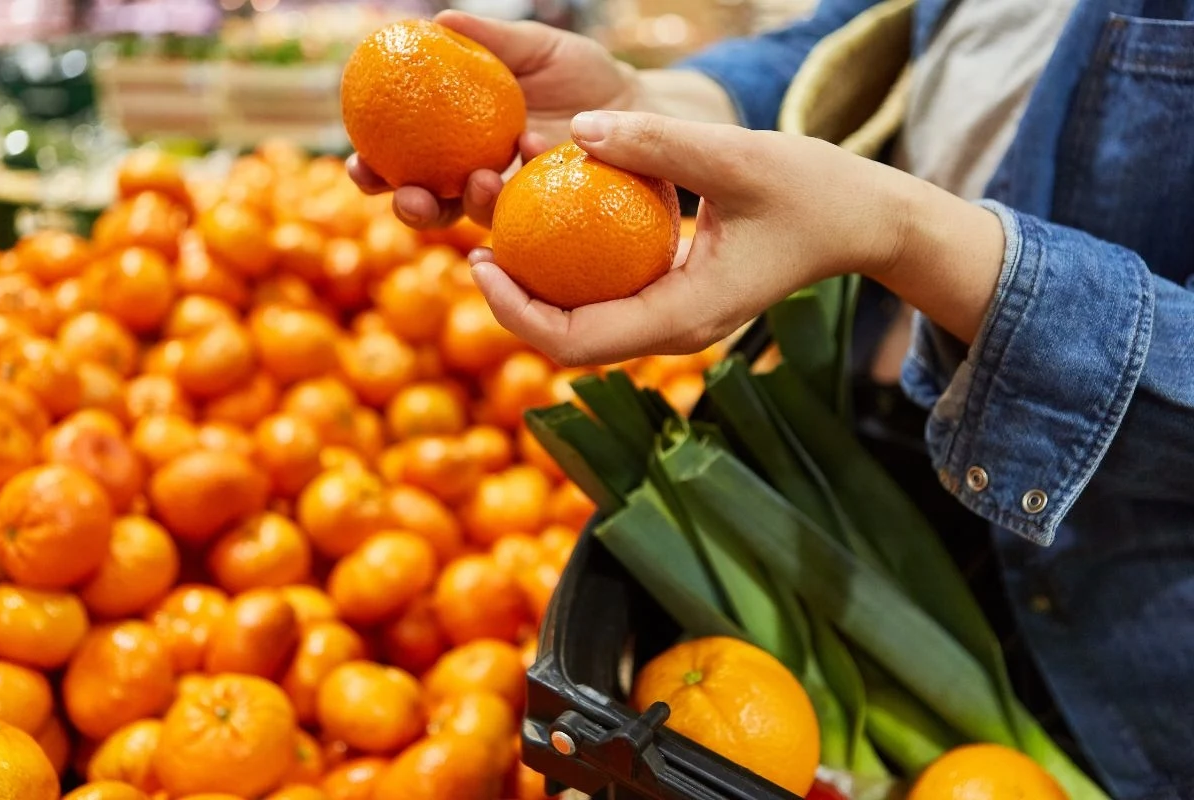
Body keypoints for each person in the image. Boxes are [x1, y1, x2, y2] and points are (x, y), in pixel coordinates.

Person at [349, 2, 1194, 798]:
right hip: (879, 455)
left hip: (1119, 606)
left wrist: (902, 233)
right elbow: (866, 39)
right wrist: (655, 107)